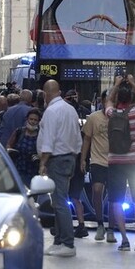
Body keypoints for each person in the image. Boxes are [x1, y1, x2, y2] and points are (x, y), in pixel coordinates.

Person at [105, 75, 135, 251]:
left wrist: (116, 85)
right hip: (133, 161)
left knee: (116, 200)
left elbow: (108, 100)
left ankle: (124, 239)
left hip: (114, 160)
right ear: (131, 99)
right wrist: (132, 82)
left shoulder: (111, 113)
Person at [37, 79, 82, 257]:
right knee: (58, 201)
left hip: (57, 159)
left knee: (60, 202)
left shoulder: (51, 112)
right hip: (70, 158)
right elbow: (78, 138)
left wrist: (43, 162)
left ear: (46, 94)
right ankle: (59, 241)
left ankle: (68, 243)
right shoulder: (70, 109)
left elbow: (48, 140)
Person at [81, 99, 113, 242]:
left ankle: (111, 227)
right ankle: (100, 223)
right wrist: (83, 158)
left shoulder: (119, 117)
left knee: (114, 194)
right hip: (97, 160)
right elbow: (87, 139)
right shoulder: (93, 118)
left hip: (115, 161)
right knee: (97, 189)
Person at [6, 108, 42, 184]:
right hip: (18, 170)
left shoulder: (41, 135)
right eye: (31, 119)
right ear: (27, 119)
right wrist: (11, 151)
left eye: (35, 120)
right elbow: (9, 145)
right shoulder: (19, 132)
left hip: (33, 173)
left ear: (39, 122)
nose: (32, 122)